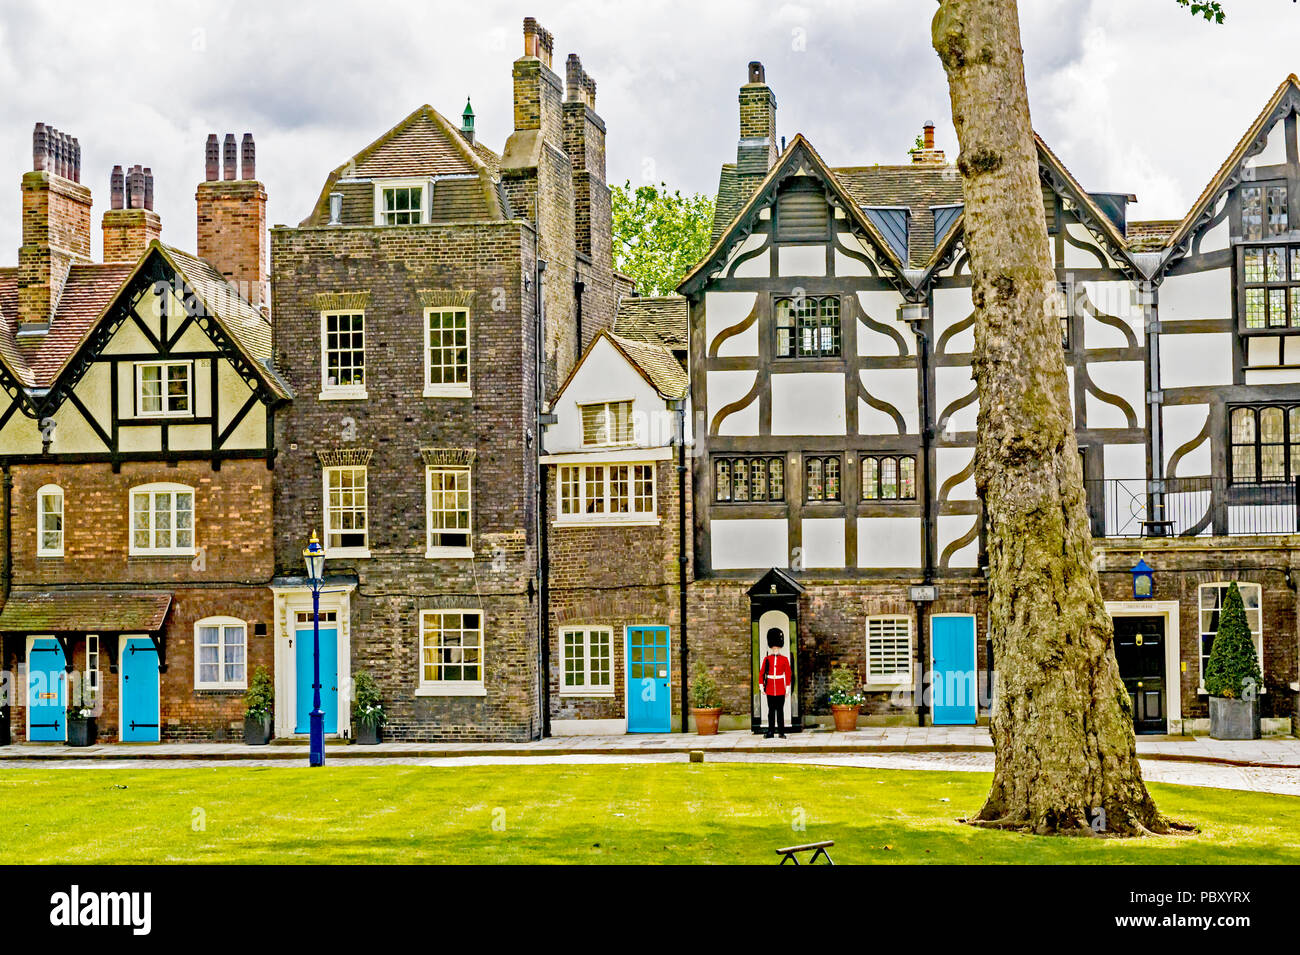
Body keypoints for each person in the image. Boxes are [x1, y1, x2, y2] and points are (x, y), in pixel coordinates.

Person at [759, 628, 792, 739]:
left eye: (777, 647)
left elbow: (788, 674)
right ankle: (770, 731)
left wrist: (787, 688)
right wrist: (761, 686)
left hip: (780, 688)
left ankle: (781, 732)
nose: (775, 649)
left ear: (779, 647)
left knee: (780, 711)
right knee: (771, 711)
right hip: (769, 688)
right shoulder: (767, 659)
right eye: (774, 647)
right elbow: (761, 673)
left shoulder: (784, 659)